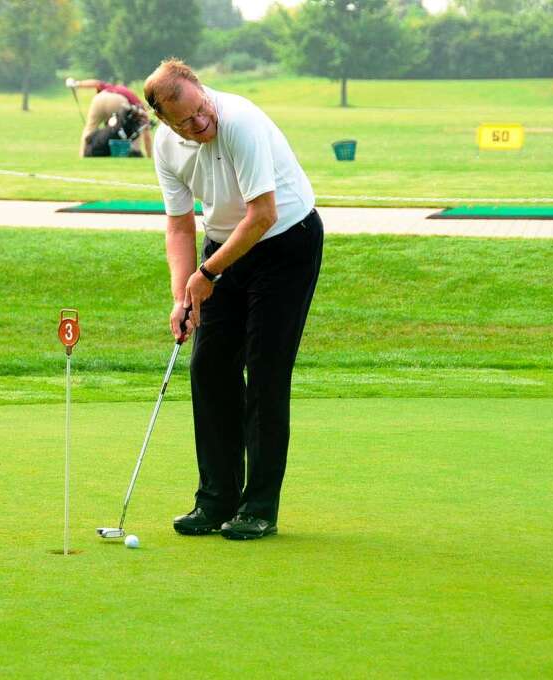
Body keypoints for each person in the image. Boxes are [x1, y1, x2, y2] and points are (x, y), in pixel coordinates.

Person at [143, 59, 323, 541]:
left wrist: (206, 274)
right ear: (166, 122)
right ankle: (216, 498)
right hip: (223, 249)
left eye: (201, 110)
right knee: (209, 367)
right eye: (186, 121)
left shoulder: (239, 120)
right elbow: (179, 225)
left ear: (201, 90)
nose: (200, 123)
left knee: (265, 372)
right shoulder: (165, 147)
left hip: (286, 243)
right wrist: (184, 293)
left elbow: (262, 214)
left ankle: (258, 506)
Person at [66, 77, 153, 158]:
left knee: (90, 127)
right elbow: (145, 132)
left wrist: (77, 84)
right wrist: (149, 155)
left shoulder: (109, 86)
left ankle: (83, 153)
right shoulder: (138, 104)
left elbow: (95, 83)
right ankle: (134, 152)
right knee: (134, 128)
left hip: (99, 99)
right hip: (119, 101)